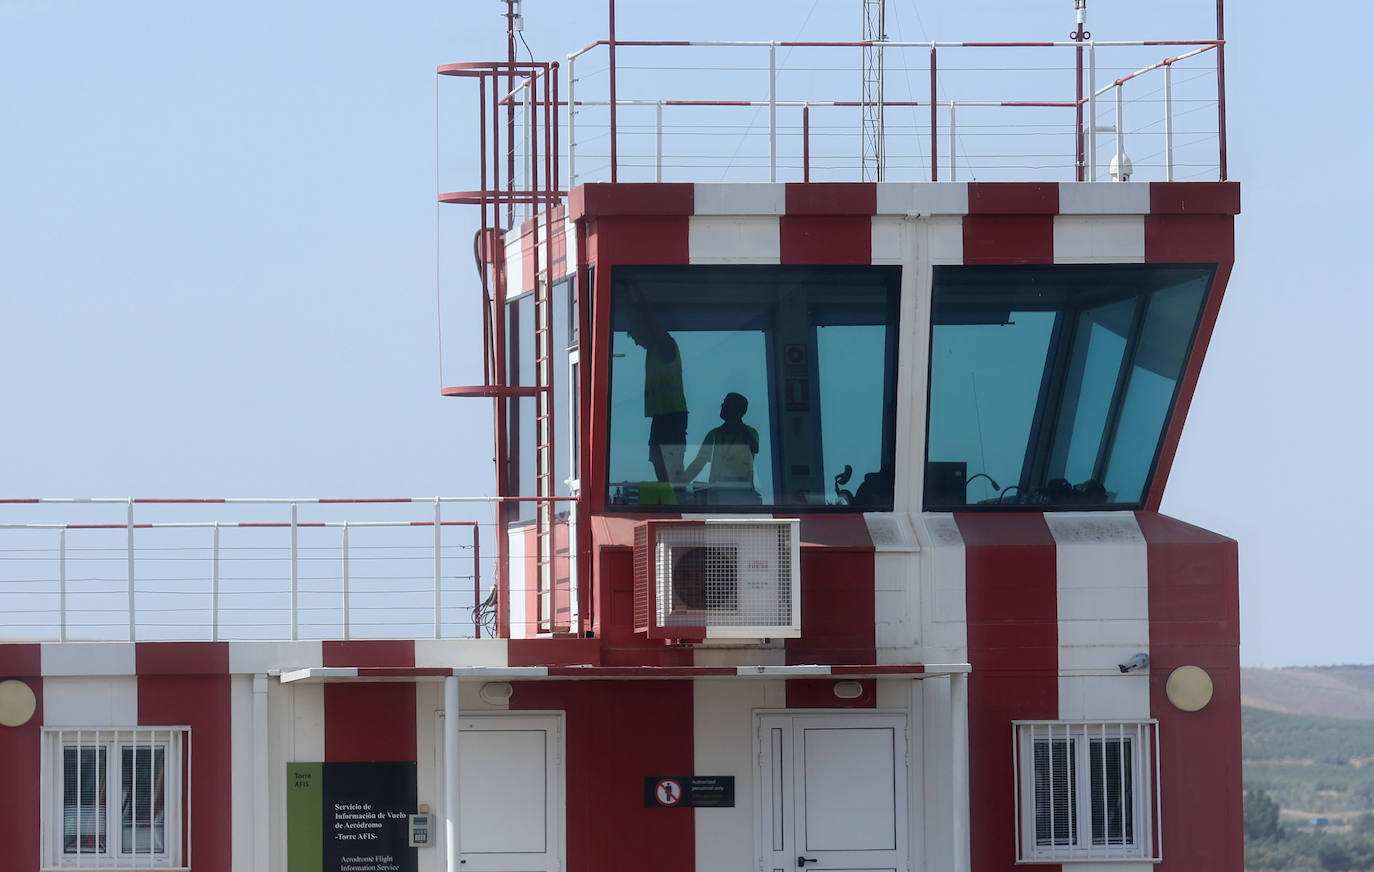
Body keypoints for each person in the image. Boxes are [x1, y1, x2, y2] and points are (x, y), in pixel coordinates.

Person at [626, 313, 688, 489]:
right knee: (656, 456)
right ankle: (667, 491)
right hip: (662, 414)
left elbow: (654, 323)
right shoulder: (655, 350)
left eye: (637, 337)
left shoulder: (665, 346)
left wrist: (637, 294)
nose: (637, 343)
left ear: (647, 331)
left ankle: (674, 493)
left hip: (672, 413)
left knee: (670, 460)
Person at [684, 392, 761, 504]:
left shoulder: (749, 433)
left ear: (737, 410)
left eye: (726, 403)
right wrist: (680, 483)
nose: (722, 406)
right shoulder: (714, 435)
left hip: (743, 496)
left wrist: (739, 426)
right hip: (718, 496)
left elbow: (755, 447)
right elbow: (699, 463)